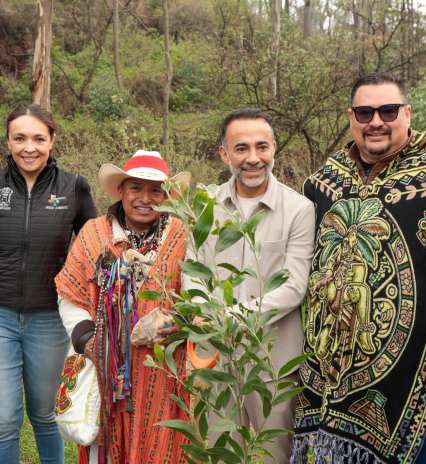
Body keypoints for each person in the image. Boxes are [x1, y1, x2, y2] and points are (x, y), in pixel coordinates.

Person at [291, 74, 426, 464]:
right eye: (365, 112)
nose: (376, 121)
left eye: (388, 110)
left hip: (414, 368)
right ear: (351, 117)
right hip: (332, 372)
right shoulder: (322, 183)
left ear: (408, 113)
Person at [183, 108, 315, 463]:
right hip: (217, 355)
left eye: (262, 147)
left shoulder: (298, 209)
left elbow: (293, 286)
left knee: (277, 453)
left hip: (273, 358)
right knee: (219, 449)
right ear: (225, 154)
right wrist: (205, 310)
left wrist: (230, 317)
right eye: (241, 148)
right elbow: (192, 271)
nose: (253, 158)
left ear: (274, 150)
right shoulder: (205, 204)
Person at [0, 103, 97, 464]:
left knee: (45, 414)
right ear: (8, 141)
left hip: (49, 318)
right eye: (20, 138)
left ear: (52, 140)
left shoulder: (74, 186)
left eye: (39, 138)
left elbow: (94, 243)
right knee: (5, 418)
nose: (29, 147)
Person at [54, 150, 191, 464]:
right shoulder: (93, 235)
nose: (145, 198)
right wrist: (89, 341)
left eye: (155, 190)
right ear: (121, 190)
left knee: (164, 444)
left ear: (167, 195)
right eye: (136, 188)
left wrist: (173, 323)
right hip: (105, 371)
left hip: (164, 371)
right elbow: (70, 294)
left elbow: (200, 300)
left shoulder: (183, 236)